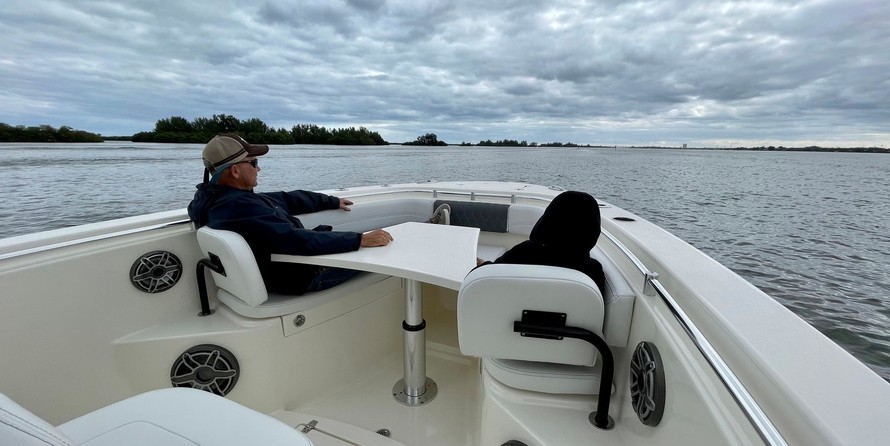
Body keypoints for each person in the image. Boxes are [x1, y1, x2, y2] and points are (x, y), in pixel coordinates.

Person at [188, 133, 393, 295]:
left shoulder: (216, 200)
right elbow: (296, 241)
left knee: (370, 242)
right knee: (386, 255)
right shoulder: (238, 207)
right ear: (234, 170)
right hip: (302, 276)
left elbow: (286, 199)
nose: (258, 169)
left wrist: (331, 201)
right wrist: (360, 240)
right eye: (254, 163)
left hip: (287, 268)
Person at [477, 190, 606, 294]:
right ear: (593, 229)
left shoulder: (525, 253)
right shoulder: (594, 271)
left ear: (549, 220)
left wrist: (484, 265)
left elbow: (490, 274)